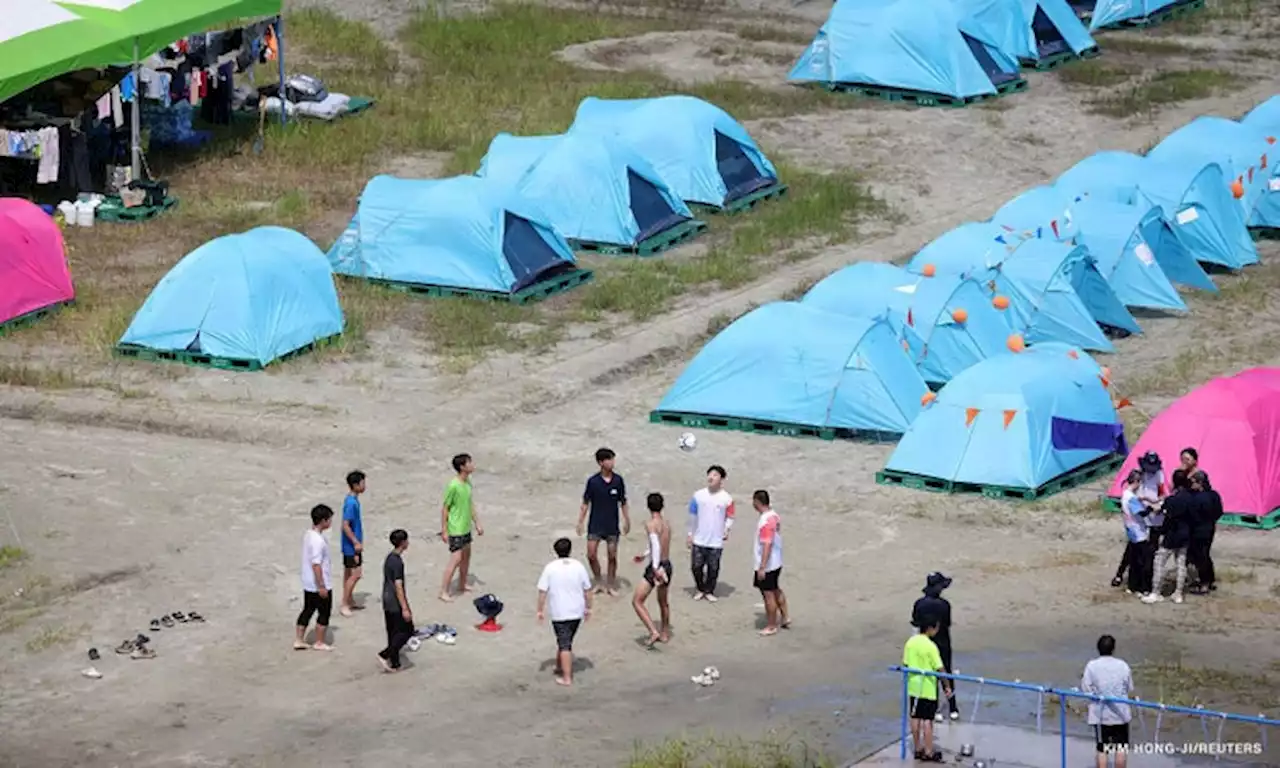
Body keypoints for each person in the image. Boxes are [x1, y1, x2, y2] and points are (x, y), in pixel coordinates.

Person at [536, 537, 593, 687]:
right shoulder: (578, 566)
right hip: (577, 611)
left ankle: (567, 677)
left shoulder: (550, 567)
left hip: (560, 612)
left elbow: (542, 591)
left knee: (564, 643)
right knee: (565, 640)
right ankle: (560, 666)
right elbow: (587, 589)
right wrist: (588, 607)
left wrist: (540, 610)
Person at [576, 447, 630, 596]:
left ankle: (611, 584)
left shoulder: (618, 480)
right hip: (595, 524)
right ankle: (599, 581)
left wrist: (627, 520)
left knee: (612, 556)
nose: (612, 462)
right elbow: (586, 502)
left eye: (612, 459)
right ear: (601, 462)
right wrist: (580, 521)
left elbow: (623, 501)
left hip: (612, 524)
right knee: (591, 554)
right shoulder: (593, 482)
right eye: (609, 459)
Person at [1081, 634, 1135, 768]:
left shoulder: (1091, 666)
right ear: (1113, 649)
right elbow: (1129, 687)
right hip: (1121, 714)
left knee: (1102, 749)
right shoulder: (1123, 665)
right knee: (1121, 748)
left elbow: (1086, 688)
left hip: (1101, 716)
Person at [911, 573, 959, 720]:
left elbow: (915, 623)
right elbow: (947, 623)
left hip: (925, 643)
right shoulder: (945, 605)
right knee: (946, 673)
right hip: (943, 643)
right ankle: (952, 707)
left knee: (929, 675)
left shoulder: (919, 604)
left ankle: (936, 708)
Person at [902, 614, 950, 763]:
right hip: (928, 688)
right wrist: (947, 686)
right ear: (930, 628)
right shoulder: (931, 646)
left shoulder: (910, 642)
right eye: (936, 628)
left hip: (913, 686)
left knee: (915, 717)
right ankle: (928, 752)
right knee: (927, 720)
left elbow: (905, 663)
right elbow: (940, 668)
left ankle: (917, 749)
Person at [1143, 469, 1192, 605]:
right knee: (1181, 563)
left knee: (1159, 561)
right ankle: (1178, 593)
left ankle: (1156, 592)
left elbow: (1162, 511)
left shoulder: (1172, 500)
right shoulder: (1190, 497)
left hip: (1172, 535)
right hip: (1185, 533)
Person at [440, 453, 484, 602]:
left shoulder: (467, 483)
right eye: (469, 462)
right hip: (456, 528)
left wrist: (477, 523)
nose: (472, 465)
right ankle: (443, 591)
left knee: (466, 556)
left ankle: (462, 584)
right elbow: (445, 508)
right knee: (456, 559)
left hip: (465, 527)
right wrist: (444, 530)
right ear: (462, 467)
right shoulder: (453, 485)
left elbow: (470, 504)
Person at [688, 465, 734, 602]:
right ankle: (700, 588)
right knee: (696, 567)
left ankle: (709, 590)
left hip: (716, 540)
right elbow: (692, 516)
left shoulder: (727, 498)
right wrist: (690, 533)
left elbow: (730, 516)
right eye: (710, 474)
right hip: (699, 538)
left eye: (715, 475)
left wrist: (727, 529)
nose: (711, 477)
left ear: (722, 479)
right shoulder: (698, 495)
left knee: (713, 568)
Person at [632, 492, 672, 648]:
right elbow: (659, 546)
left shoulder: (650, 524)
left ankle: (653, 630)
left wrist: (654, 568)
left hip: (657, 566)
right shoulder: (667, 524)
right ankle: (665, 633)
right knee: (663, 602)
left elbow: (655, 545)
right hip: (667, 564)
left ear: (648, 506)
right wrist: (644, 555)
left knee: (637, 601)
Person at [294, 504, 335, 651]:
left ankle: (299, 639)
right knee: (324, 612)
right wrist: (322, 585)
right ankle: (319, 641)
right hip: (318, 583)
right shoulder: (318, 541)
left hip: (308, 582)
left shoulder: (308, 535)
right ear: (323, 521)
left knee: (308, 609)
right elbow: (316, 564)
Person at [752, 490, 789, 637]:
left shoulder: (765, 521)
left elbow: (767, 544)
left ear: (757, 502)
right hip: (776, 561)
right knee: (775, 589)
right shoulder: (774, 516)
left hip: (768, 564)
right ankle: (785, 617)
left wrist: (762, 567)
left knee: (768, 595)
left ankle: (771, 625)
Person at [377, 529, 413, 673]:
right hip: (394, 602)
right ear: (403, 543)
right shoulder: (397, 562)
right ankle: (386, 654)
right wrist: (405, 607)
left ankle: (395, 663)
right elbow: (398, 586)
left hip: (386, 599)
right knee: (407, 630)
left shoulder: (389, 558)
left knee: (393, 632)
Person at [1116, 470, 1152, 596]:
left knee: (1133, 560)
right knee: (1142, 562)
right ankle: (1141, 587)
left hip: (1131, 531)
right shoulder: (1131, 498)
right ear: (1136, 482)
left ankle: (1131, 586)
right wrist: (1152, 508)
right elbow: (1142, 513)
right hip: (1139, 533)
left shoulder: (1124, 495)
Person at [1188, 470, 1223, 595]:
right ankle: (1210, 579)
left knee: (1200, 556)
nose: (1191, 485)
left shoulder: (1197, 498)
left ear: (1200, 483)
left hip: (1198, 530)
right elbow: (1219, 511)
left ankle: (1204, 583)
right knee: (1206, 554)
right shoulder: (1214, 495)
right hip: (1210, 528)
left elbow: (1192, 514)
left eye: (1193, 483)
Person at [340, 470, 367, 617]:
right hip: (351, 545)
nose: (364, 485)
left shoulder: (352, 500)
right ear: (356, 485)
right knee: (356, 574)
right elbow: (345, 525)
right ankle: (344, 603)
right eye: (362, 483)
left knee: (348, 572)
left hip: (348, 544)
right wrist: (356, 542)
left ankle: (349, 599)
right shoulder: (351, 503)